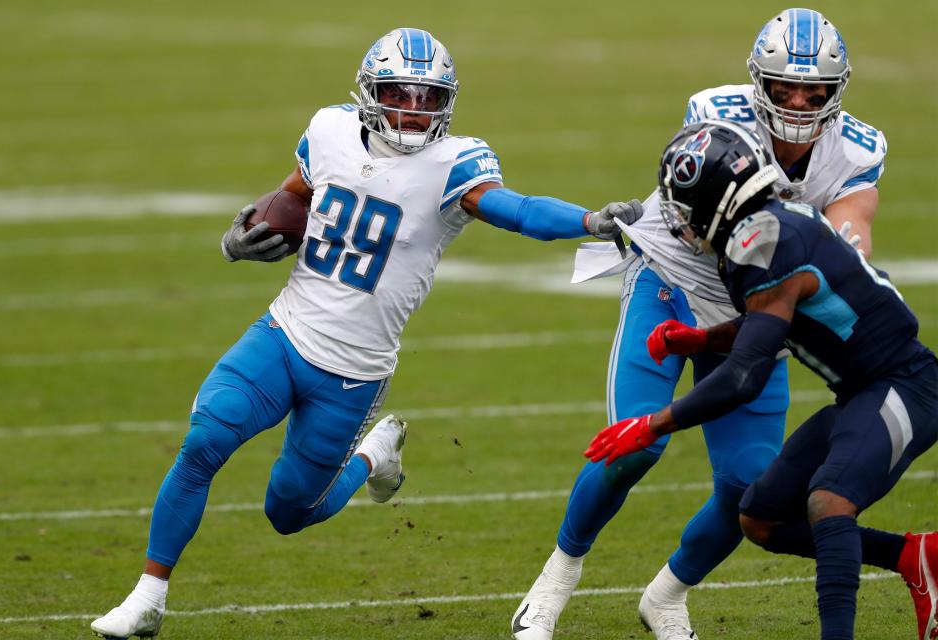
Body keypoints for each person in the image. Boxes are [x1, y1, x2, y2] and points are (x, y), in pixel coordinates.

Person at [89, 27, 643, 639]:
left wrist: (589, 220)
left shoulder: (454, 163)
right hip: (283, 332)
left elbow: (519, 210)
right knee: (203, 443)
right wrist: (239, 236)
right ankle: (148, 598)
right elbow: (289, 197)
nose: (412, 109)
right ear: (369, 92)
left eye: (428, 97)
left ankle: (372, 455)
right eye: (399, 93)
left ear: (447, 103)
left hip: (352, 371)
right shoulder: (329, 130)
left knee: (288, 511)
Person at [513, 9, 886, 640]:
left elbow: (853, 230)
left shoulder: (857, 148)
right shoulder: (717, 114)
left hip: (757, 313)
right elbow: (717, 227)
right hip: (673, 278)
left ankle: (666, 596)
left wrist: (845, 258)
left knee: (752, 488)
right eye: (784, 87)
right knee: (637, 441)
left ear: (836, 90)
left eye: (814, 90)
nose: (799, 101)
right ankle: (555, 579)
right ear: (756, 83)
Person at [584, 119, 938, 640]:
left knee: (828, 501)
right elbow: (779, 318)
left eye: (682, 206)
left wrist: (652, 426)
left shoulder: (760, 244)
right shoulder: (766, 224)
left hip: (905, 387)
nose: (679, 220)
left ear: (712, 203)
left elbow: (745, 377)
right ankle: (915, 556)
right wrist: (703, 341)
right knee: (761, 517)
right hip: (864, 391)